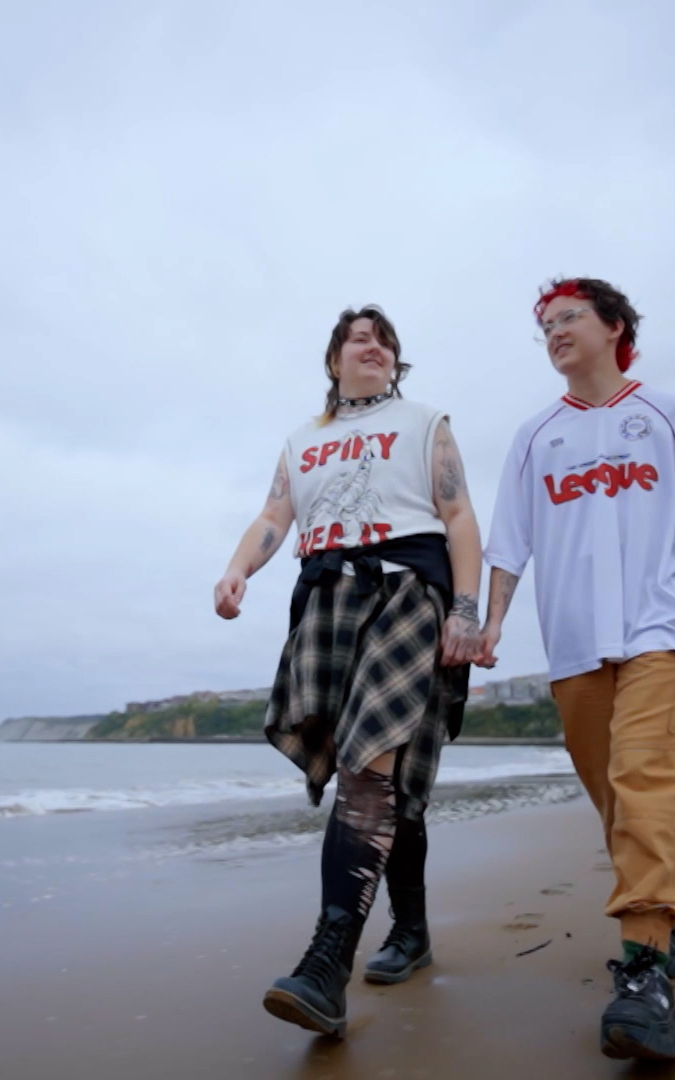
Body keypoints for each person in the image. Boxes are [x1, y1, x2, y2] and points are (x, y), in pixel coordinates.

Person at [479, 278, 675, 1062]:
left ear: (614, 326)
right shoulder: (535, 437)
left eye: (568, 316)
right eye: (544, 324)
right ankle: (666, 915)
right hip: (574, 643)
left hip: (662, 631)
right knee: (619, 800)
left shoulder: (671, 417)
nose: (553, 331)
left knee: (645, 778)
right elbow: (510, 542)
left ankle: (643, 975)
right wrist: (494, 620)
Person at [213, 305, 484, 1038]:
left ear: (396, 362)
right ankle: (412, 930)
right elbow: (274, 516)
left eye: (385, 340)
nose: (374, 346)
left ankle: (326, 965)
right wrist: (238, 569)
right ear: (334, 360)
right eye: (359, 338)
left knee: (371, 765)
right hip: (326, 598)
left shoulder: (425, 422)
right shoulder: (303, 439)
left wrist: (465, 611)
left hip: (406, 592)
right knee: (381, 777)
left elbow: (459, 516)